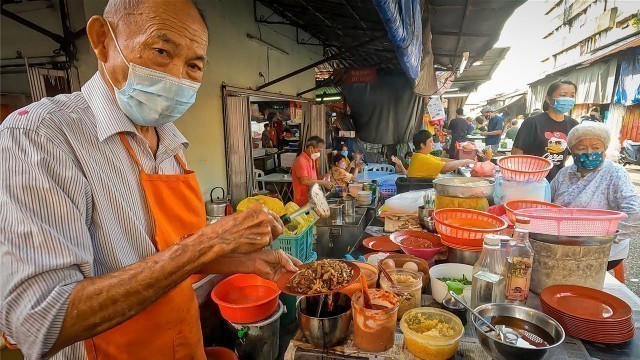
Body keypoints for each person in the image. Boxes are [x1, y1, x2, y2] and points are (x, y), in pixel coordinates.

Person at [0, 1, 300, 359]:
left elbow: (165, 252)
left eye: (193, 66)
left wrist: (242, 261)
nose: (176, 76)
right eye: (161, 51)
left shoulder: (171, 143)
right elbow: (40, 320)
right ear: (102, 41)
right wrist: (209, 241)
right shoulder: (40, 137)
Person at [551, 122, 640, 269]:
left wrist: (602, 238)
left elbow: (635, 212)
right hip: (564, 243)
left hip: (602, 249)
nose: (589, 152)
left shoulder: (615, 173)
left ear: (604, 149)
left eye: (596, 148)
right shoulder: (564, 174)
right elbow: (548, 206)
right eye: (581, 148)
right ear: (571, 151)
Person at [513, 80, 579, 181]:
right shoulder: (532, 122)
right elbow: (516, 153)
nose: (568, 99)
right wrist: (524, 178)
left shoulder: (574, 125)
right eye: (563, 95)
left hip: (557, 181)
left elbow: (567, 155)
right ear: (548, 99)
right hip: (531, 181)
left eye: (572, 96)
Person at [407, 130, 474, 178]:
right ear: (422, 145)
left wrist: (462, 161)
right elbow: (447, 168)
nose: (433, 144)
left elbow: (441, 160)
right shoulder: (421, 158)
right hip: (422, 189)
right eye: (430, 142)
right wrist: (464, 161)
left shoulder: (421, 155)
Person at [292, 136, 333, 206]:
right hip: (303, 201)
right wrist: (323, 183)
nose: (319, 154)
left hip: (313, 198)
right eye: (319, 151)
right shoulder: (301, 160)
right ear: (311, 148)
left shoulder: (312, 160)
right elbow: (304, 180)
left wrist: (323, 177)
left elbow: (313, 178)